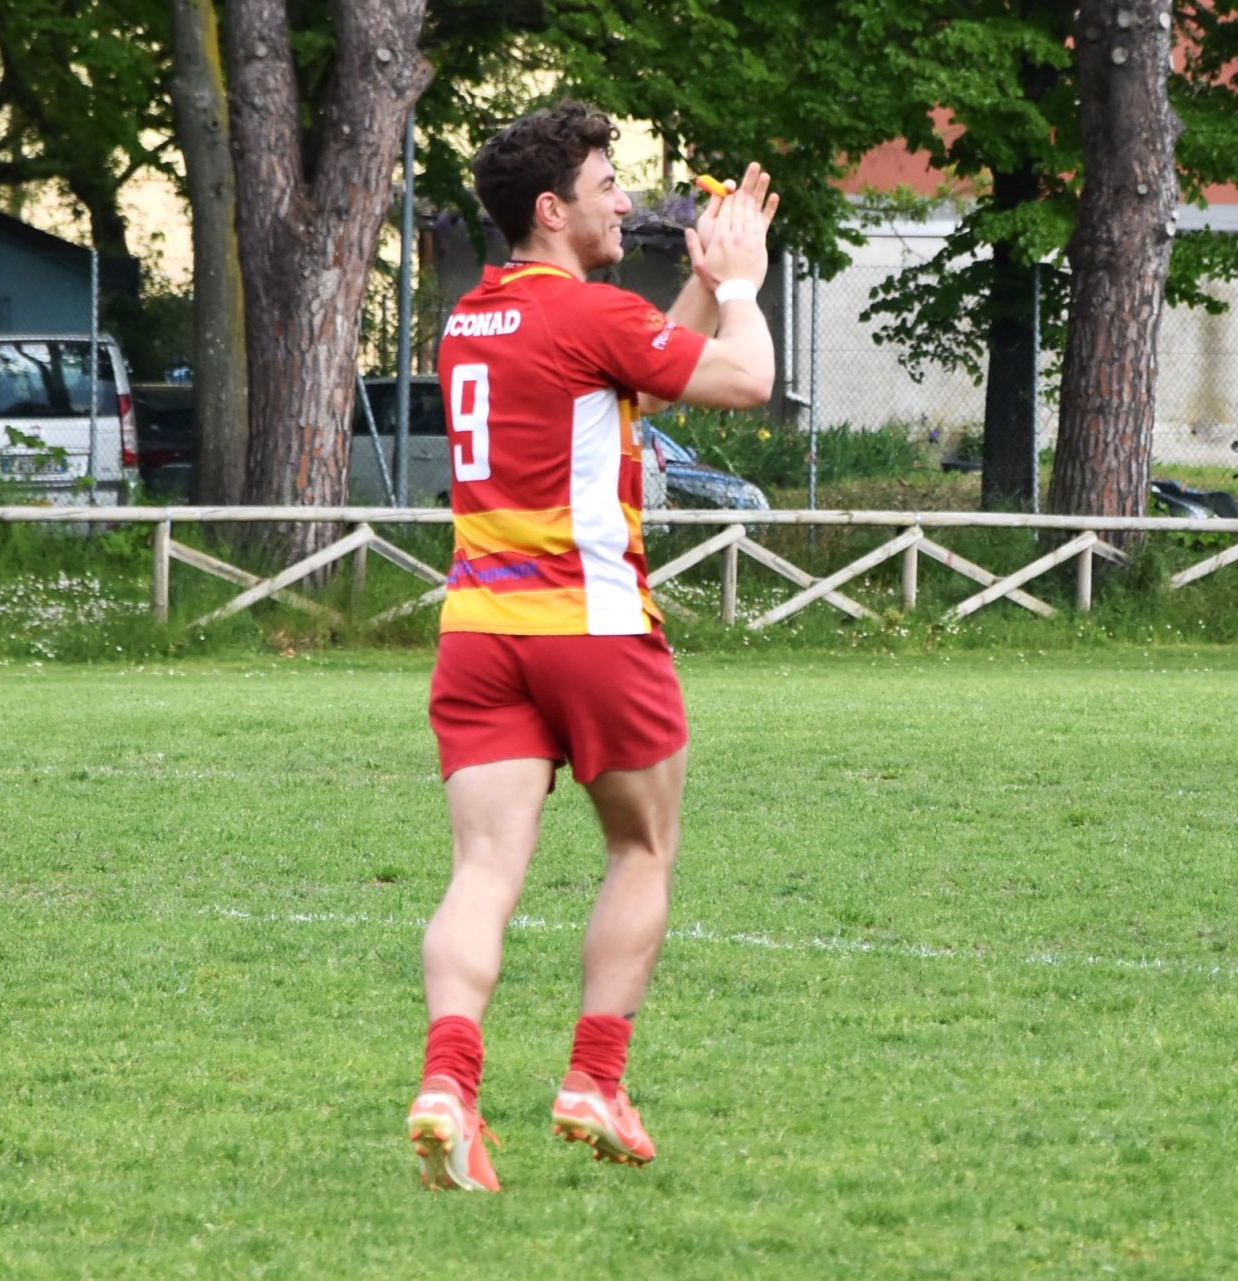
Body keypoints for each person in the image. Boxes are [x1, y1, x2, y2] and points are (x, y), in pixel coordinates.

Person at [405, 101, 778, 1192]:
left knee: (482, 872)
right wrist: (745, 287)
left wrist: (701, 286)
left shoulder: (472, 317)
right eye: (607, 182)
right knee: (641, 851)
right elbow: (743, 380)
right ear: (551, 209)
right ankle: (593, 1080)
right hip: (596, 630)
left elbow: (633, 356)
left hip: (478, 635)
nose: (627, 198)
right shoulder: (588, 315)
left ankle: (447, 1085)